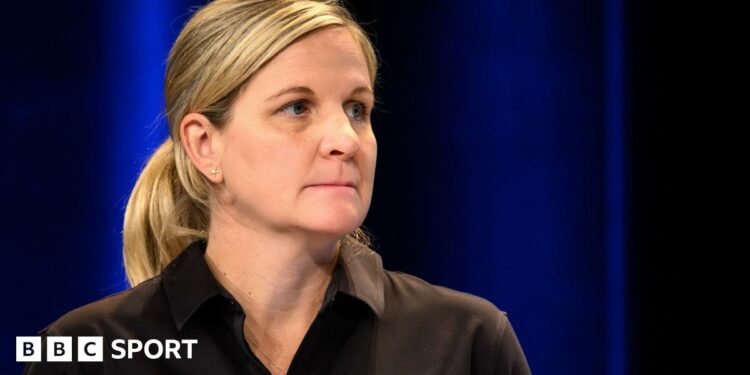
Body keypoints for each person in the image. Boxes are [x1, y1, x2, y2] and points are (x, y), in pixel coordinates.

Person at [23, 0, 531, 374]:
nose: (344, 140)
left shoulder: (467, 341)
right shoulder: (85, 349)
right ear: (204, 146)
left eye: (357, 109)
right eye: (297, 108)